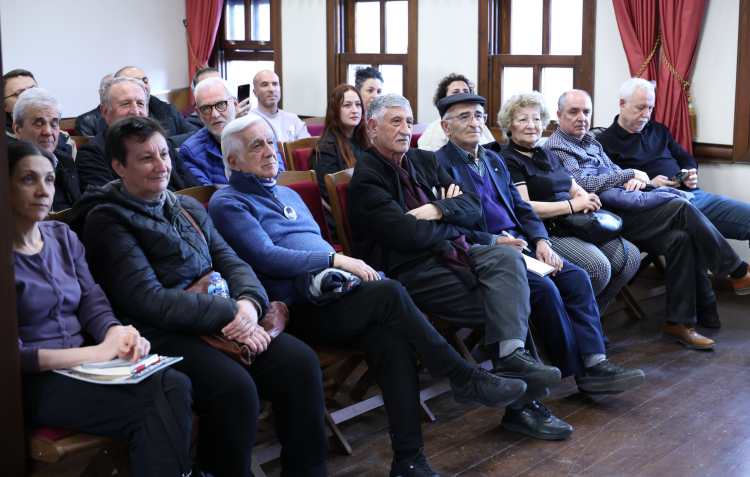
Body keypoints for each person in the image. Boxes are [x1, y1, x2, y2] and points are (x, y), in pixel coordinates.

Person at [210, 114, 528, 477]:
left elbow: (316, 246)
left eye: (270, 141)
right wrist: (336, 259)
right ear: (233, 160)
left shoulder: (287, 193)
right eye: (257, 146)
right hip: (297, 309)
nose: (270, 151)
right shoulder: (228, 202)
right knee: (389, 291)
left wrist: (340, 267)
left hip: (335, 294)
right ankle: (460, 374)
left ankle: (409, 460)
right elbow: (268, 257)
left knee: (393, 342)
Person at [68, 115, 328, 477]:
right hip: (160, 333)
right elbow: (147, 299)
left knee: (299, 363)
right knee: (235, 389)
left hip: (222, 320)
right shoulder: (107, 220)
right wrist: (230, 313)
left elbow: (233, 264)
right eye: (146, 158)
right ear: (119, 167)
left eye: (164, 154)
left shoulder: (186, 206)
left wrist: (249, 305)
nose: (161, 165)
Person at [348, 94, 569, 440]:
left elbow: (472, 207)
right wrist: (451, 218)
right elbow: (407, 235)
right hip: (412, 270)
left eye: (409, 121)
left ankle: (512, 357)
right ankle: (523, 407)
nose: (406, 130)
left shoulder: (420, 159)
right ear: (373, 127)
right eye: (396, 122)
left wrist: (436, 210)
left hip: (453, 252)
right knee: (507, 300)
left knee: (508, 260)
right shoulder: (367, 178)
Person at [435, 92, 645, 416]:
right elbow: (449, 224)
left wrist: (542, 241)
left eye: (478, 115)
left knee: (575, 277)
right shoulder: (438, 164)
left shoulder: (492, 159)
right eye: (464, 117)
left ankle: (596, 362)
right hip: (487, 251)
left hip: (524, 244)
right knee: (546, 289)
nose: (474, 122)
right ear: (445, 127)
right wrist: (494, 241)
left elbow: (522, 208)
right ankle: (575, 370)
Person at [11, 140, 194, 476]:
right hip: (32, 384)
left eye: (49, 180)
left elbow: (92, 300)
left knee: (174, 384)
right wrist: (96, 353)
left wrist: (116, 334)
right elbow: (13, 356)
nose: (43, 190)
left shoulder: (61, 235)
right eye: (28, 179)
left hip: (86, 367)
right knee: (151, 409)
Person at [545, 89, 750, 350]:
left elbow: (615, 171)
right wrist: (630, 174)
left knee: (681, 238)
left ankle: (678, 323)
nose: (582, 118)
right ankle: (737, 270)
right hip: (601, 218)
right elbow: (583, 184)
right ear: (559, 114)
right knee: (680, 206)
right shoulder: (556, 147)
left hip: (624, 208)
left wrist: (632, 179)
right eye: (574, 112)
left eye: (586, 112)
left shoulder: (591, 143)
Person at [597, 78, 750, 328]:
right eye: (640, 108)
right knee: (687, 235)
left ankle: (730, 286)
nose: (646, 114)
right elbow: (613, 189)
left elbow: (685, 157)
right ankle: (711, 303)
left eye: (650, 107)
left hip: (693, 196)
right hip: (656, 209)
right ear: (622, 104)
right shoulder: (604, 143)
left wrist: (689, 172)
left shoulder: (658, 130)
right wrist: (650, 184)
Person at [494, 91, 641, 318]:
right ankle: (569, 322)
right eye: (522, 119)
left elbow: (574, 188)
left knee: (630, 257)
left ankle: (590, 319)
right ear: (509, 126)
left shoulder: (546, 153)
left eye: (536, 119)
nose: (531, 125)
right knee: (598, 268)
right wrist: (572, 206)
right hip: (548, 230)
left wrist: (587, 198)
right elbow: (524, 208)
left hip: (576, 223)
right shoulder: (507, 159)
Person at [76, 77, 201, 193]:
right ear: (105, 112)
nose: (136, 111)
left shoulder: (162, 144)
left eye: (141, 103)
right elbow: (107, 203)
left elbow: (195, 190)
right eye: (126, 104)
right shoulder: (92, 153)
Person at [179, 77, 284, 186]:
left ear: (235, 105)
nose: (215, 114)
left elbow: (280, 179)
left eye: (221, 104)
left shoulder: (262, 134)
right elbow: (207, 194)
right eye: (206, 108)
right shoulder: (190, 152)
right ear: (199, 114)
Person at [310, 84, 371, 241]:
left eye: (358, 104)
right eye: (347, 105)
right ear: (335, 110)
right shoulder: (325, 148)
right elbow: (334, 197)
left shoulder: (367, 141)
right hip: (345, 222)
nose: (355, 110)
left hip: (369, 211)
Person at [13, 87, 80, 210]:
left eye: (54, 124)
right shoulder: (7, 169)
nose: (48, 132)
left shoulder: (66, 162)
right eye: (39, 124)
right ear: (17, 130)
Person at [115, 66, 201, 147]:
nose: (144, 86)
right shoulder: (118, 114)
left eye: (145, 81)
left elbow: (196, 134)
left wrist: (163, 144)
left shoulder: (167, 110)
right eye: (136, 82)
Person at [4, 69, 77, 158]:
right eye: (20, 93)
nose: (31, 97)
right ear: (5, 105)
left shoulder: (64, 139)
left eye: (34, 90)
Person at [418, 74, 495, 152]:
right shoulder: (436, 128)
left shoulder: (479, 123)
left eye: (466, 92)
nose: (462, 96)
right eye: (456, 93)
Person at [250, 70, 310, 144]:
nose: (272, 89)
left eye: (275, 84)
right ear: (255, 92)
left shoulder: (293, 119)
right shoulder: (249, 120)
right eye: (265, 85)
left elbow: (308, 147)